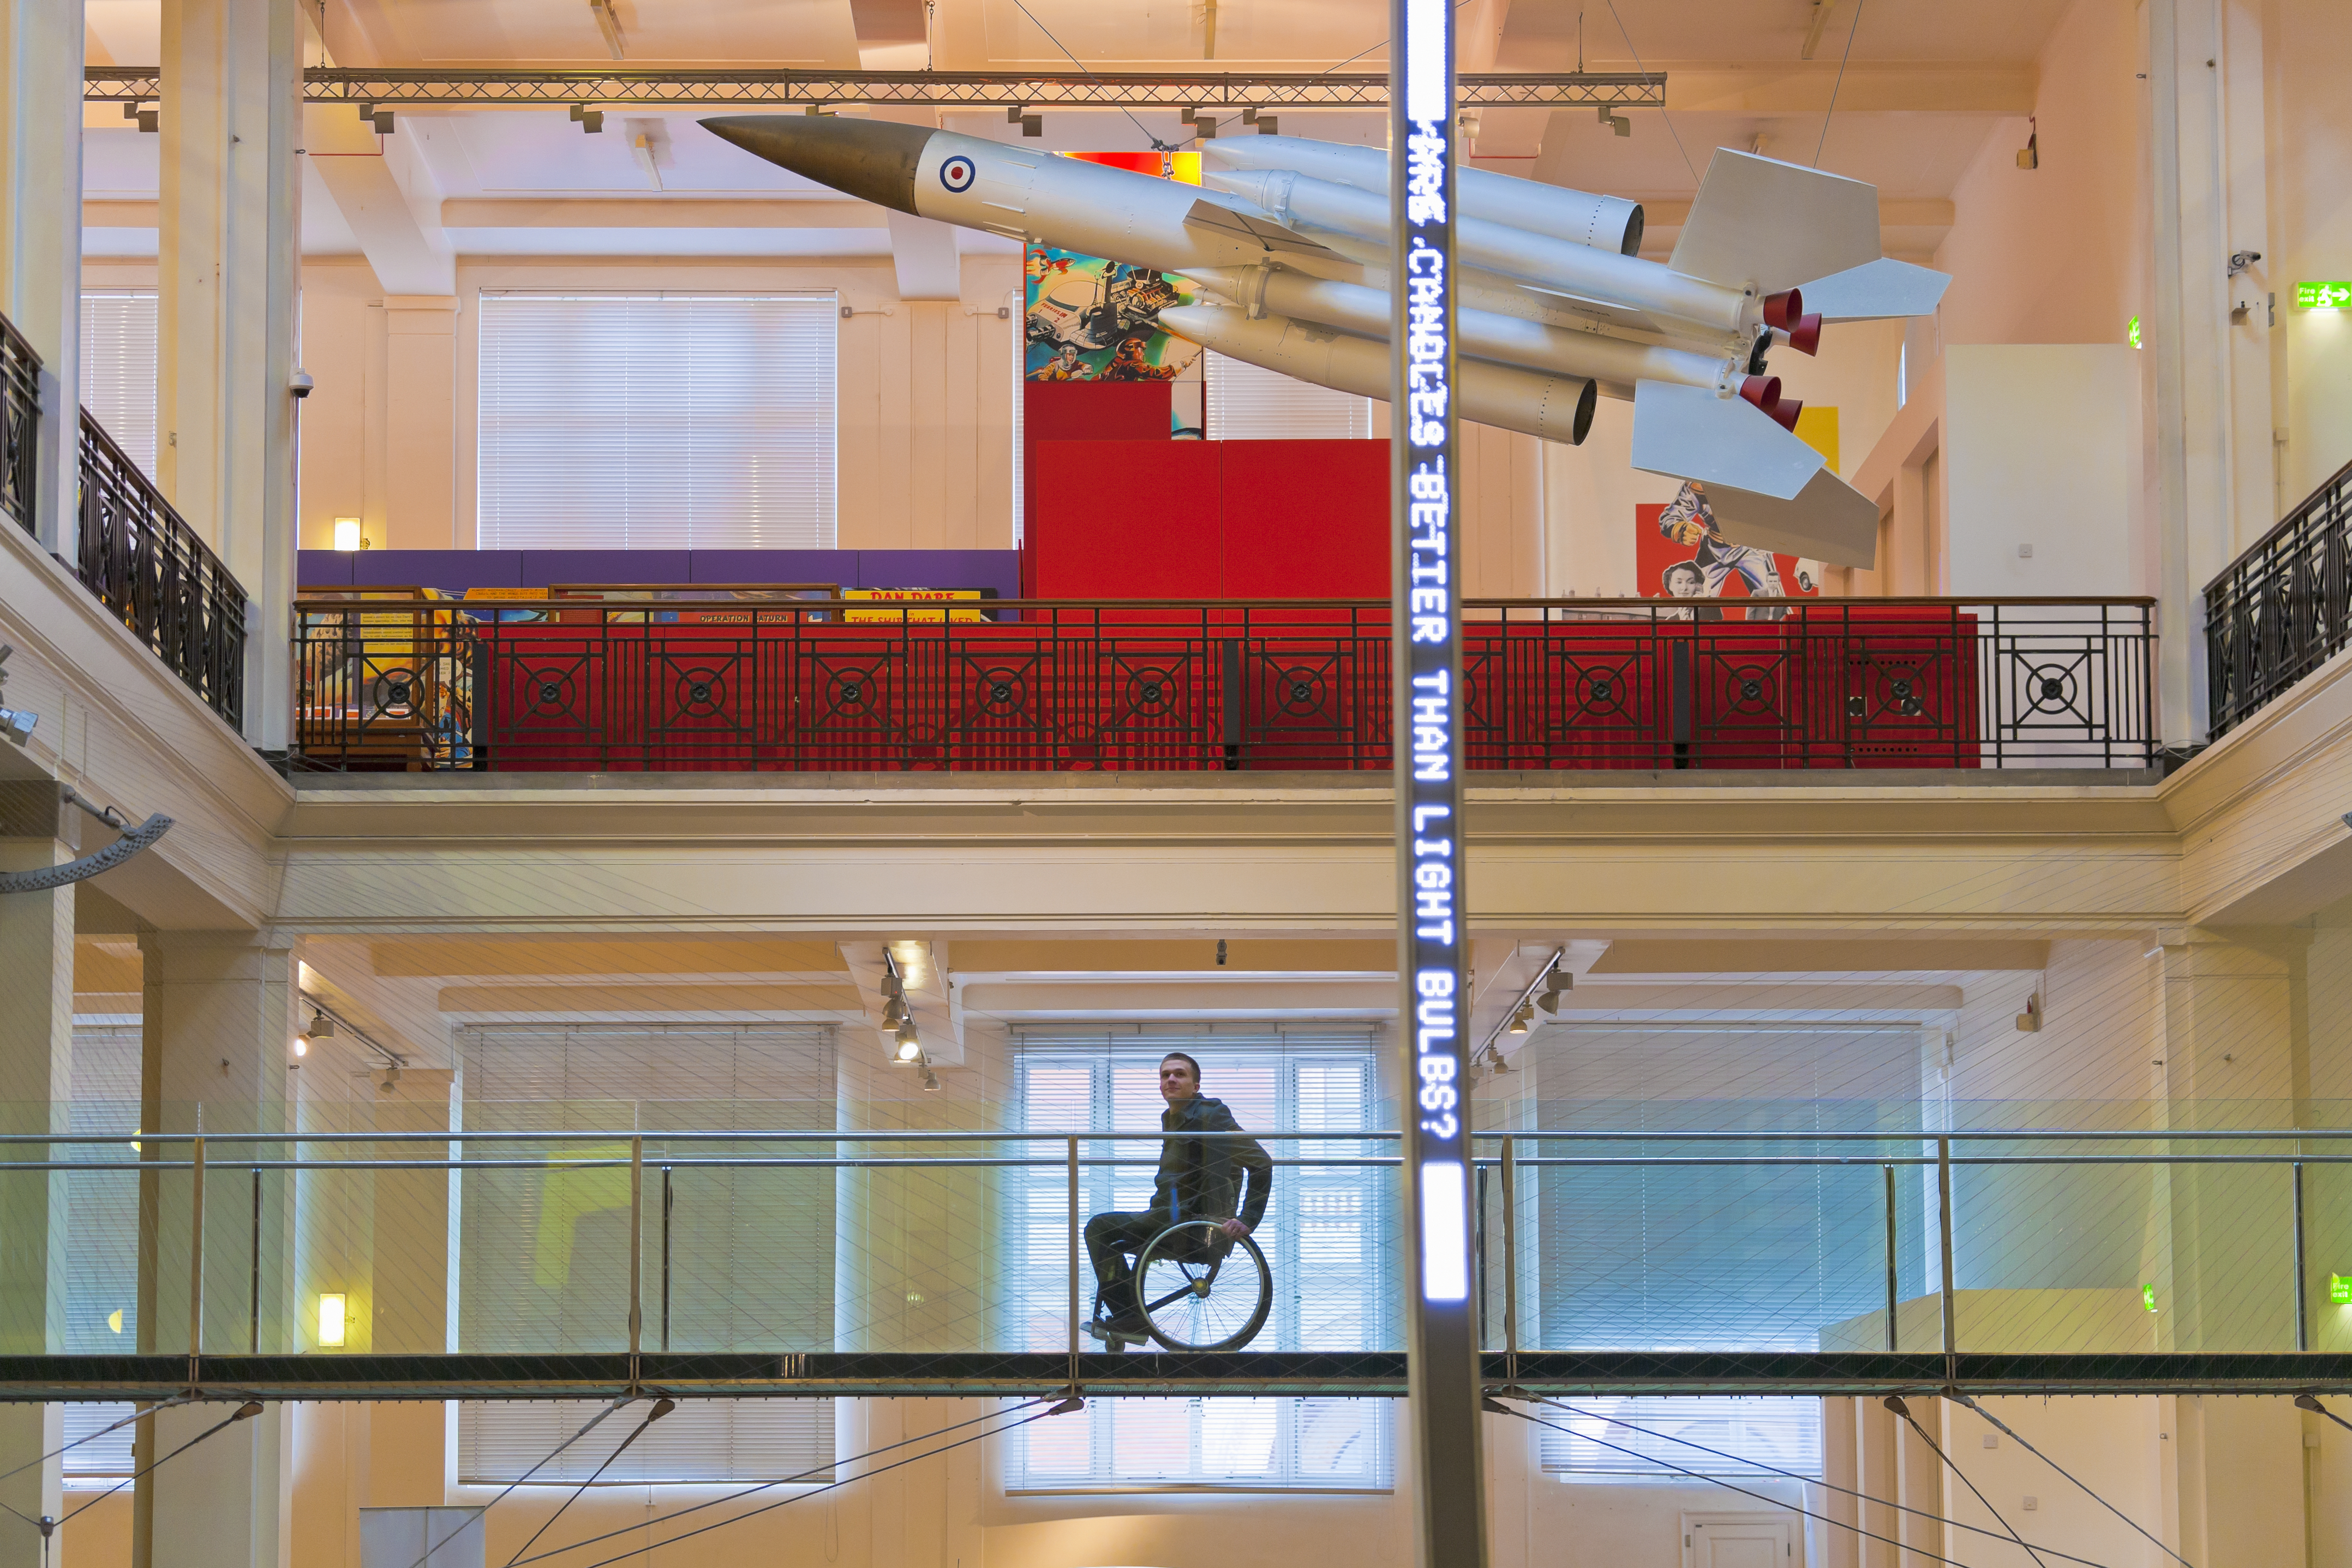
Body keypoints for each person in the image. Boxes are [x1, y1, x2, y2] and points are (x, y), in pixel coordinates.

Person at [1084, 1052, 1272, 1342]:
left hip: (1192, 1225)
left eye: (1180, 1074)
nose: (1171, 1079)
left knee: (1099, 1228)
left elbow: (1261, 1162)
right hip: (1168, 1219)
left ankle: (1129, 1319)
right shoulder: (1172, 1118)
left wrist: (1248, 1219)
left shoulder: (1210, 1114)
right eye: (1165, 1075)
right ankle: (1128, 1319)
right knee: (1109, 1237)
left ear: (1196, 1086)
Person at [1657, 479, 1788, 619]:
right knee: (1696, 600)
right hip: (1714, 549)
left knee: (1773, 598)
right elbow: (1670, 517)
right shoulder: (1696, 487)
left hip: (1749, 548)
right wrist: (1680, 529)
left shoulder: (1758, 482)